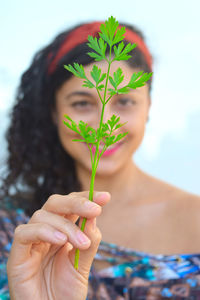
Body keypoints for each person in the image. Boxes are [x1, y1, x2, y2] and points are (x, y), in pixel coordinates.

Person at [1, 19, 200, 300]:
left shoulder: (196, 219)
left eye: (125, 102)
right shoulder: (14, 228)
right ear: (55, 112)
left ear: (149, 108)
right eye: (81, 103)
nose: (103, 125)